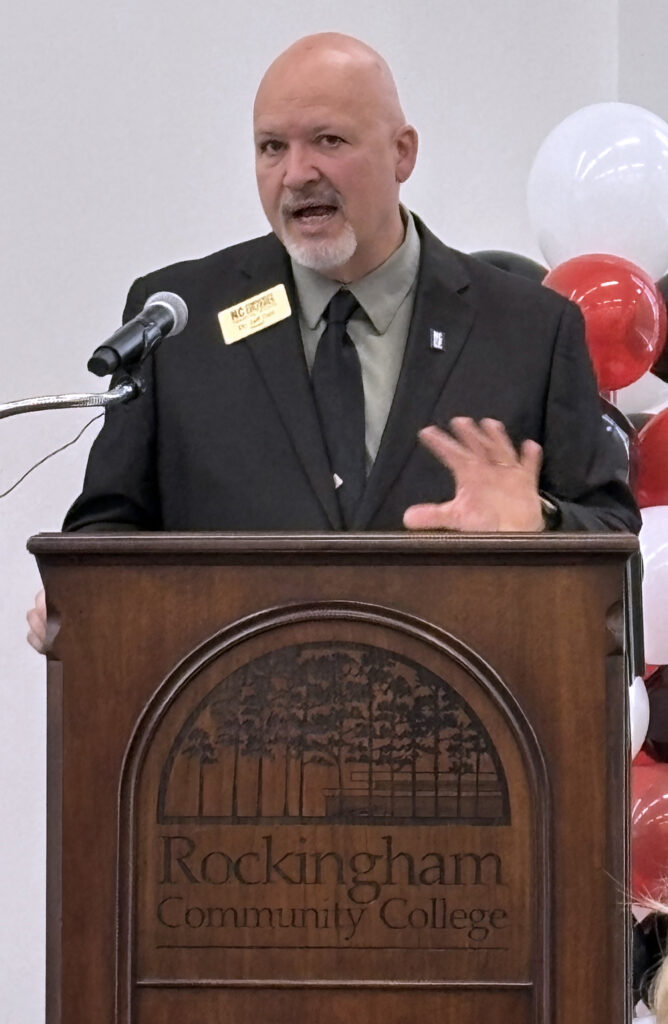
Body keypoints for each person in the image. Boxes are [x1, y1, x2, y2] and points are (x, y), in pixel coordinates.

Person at [26, 32, 640, 652]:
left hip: (462, 721)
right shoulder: (182, 321)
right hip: (227, 728)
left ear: (403, 153)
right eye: (272, 147)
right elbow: (106, 531)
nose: (297, 174)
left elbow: (614, 540)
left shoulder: (529, 328)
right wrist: (77, 604)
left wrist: (544, 524)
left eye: (329, 141)